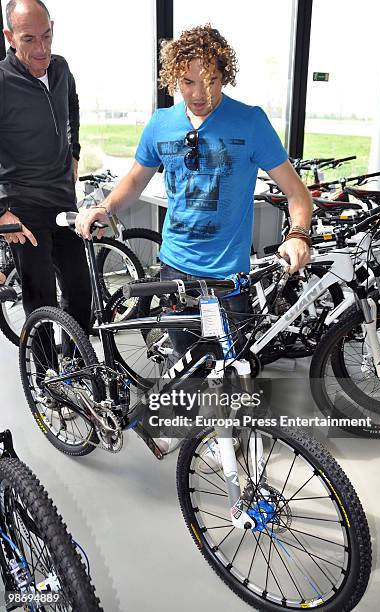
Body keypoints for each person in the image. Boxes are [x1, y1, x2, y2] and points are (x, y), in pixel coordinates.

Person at [75, 24, 313, 453]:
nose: (199, 92)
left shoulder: (250, 122)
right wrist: (104, 207)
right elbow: (133, 180)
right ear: (173, 78)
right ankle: (181, 432)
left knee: (235, 367)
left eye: (211, 80)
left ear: (226, 75)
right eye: (187, 81)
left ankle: (235, 439)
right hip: (176, 269)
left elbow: (298, 194)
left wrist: (297, 234)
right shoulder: (161, 125)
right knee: (186, 362)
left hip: (229, 277)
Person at [0, 0, 91, 336]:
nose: (41, 49)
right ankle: (45, 378)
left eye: (46, 36)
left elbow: (73, 108)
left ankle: (77, 371)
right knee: (42, 303)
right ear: (9, 36)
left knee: (81, 294)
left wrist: (74, 153)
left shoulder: (61, 69)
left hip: (62, 200)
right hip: (23, 207)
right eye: (29, 39)